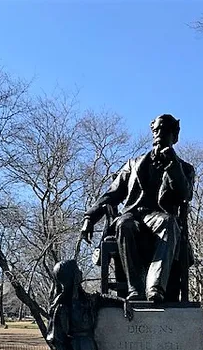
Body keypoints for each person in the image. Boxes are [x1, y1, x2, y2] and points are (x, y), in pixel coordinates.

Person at [80, 114, 195, 303]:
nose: (159, 134)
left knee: (168, 222)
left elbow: (184, 195)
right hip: (133, 215)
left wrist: (172, 165)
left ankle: (155, 288)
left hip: (160, 217)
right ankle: (135, 289)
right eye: (156, 130)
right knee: (124, 224)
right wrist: (89, 218)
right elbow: (112, 194)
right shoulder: (133, 165)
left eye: (164, 130)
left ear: (175, 136)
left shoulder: (184, 168)